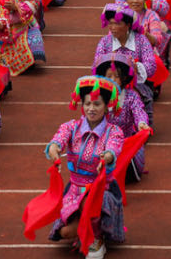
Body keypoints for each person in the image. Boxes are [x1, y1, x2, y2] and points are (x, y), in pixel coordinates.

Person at [43, 75, 127, 259]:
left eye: (97, 104)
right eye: (87, 104)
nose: (91, 109)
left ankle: (97, 238)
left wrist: (107, 157)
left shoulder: (114, 131)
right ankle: (84, 230)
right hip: (74, 188)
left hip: (101, 189)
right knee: (66, 233)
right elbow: (58, 139)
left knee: (89, 201)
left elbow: (113, 149)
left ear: (106, 107)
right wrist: (54, 148)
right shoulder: (71, 127)